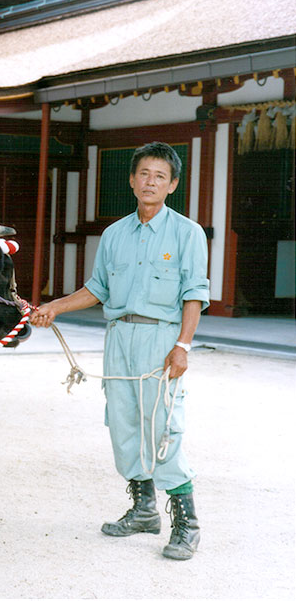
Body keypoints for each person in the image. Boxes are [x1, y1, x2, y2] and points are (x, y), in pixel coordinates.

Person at [31, 142, 209, 560]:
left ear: (173, 185)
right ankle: (144, 509)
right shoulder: (114, 234)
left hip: (162, 341)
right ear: (132, 180)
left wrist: (183, 346)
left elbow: (194, 295)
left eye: (159, 176)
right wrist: (54, 306)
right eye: (143, 173)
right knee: (124, 424)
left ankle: (187, 524)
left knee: (163, 425)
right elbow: (98, 289)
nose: (150, 182)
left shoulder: (187, 233)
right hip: (120, 339)